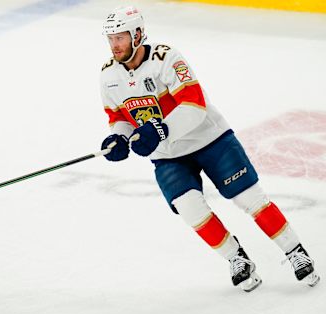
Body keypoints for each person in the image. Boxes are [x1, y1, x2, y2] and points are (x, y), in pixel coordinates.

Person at [99, 5, 319, 292]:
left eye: (121, 37)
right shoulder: (108, 75)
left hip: (209, 139)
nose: (115, 45)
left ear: (138, 34)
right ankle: (236, 259)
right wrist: (118, 138)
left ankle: (294, 251)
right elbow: (118, 117)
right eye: (111, 38)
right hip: (167, 155)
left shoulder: (166, 58)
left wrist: (160, 129)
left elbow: (194, 105)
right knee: (189, 208)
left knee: (250, 198)